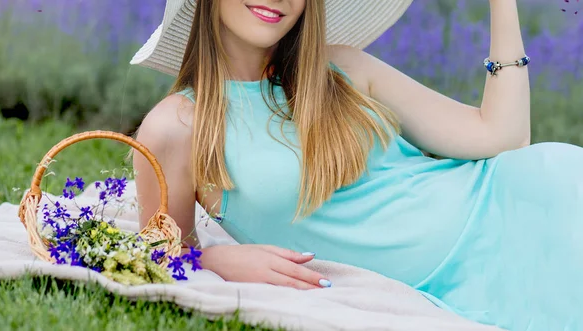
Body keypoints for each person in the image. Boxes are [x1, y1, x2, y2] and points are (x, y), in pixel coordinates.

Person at [130, 0, 583, 330]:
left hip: (531, 202)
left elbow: (503, 137)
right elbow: (161, 252)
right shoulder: (175, 128)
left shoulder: (340, 67)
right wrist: (217, 257)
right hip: (469, 278)